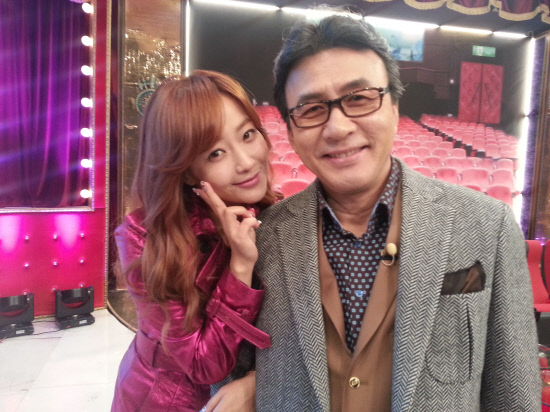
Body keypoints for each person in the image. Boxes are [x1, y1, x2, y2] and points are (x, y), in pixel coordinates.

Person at [247, 8, 540, 412]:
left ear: (394, 108)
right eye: (311, 109)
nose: (338, 128)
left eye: (359, 98)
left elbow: (514, 395)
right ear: (291, 131)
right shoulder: (260, 239)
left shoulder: (487, 227)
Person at [111, 70, 276, 412]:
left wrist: (259, 380)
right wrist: (240, 266)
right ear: (187, 171)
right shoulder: (146, 239)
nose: (246, 162)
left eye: (247, 135)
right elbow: (204, 364)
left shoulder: (272, 212)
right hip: (168, 400)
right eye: (215, 153)